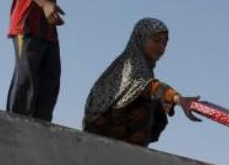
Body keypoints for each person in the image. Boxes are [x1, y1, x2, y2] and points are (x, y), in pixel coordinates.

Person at [83, 18, 200, 147]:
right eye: (156, 41)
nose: (161, 48)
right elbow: (151, 86)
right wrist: (179, 99)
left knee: (155, 105)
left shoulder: (143, 67)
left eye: (164, 44)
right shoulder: (132, 64)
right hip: (102, 130)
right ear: (141, 39)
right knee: (148, 103)